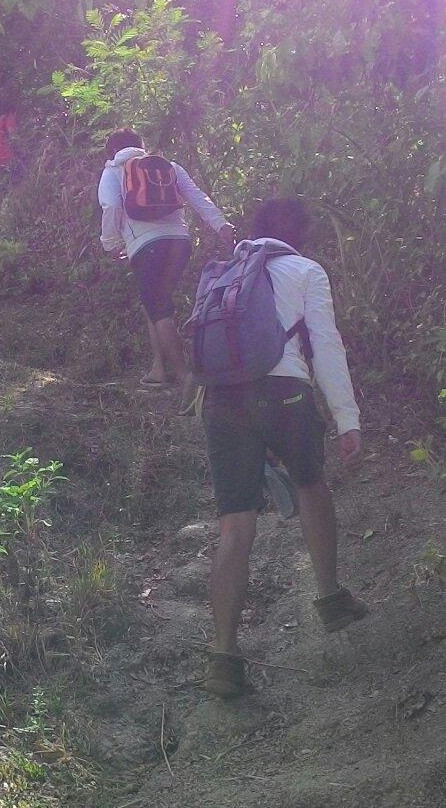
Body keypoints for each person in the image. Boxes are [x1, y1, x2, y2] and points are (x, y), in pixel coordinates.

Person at [201, 198, 367, 698]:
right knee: (311, 482)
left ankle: (224, 659)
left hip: (221, 399)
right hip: (284, 393)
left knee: (234, 523)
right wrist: (347, 419)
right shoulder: (305, 269)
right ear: (300, 234)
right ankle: (331, 598)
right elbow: (326, 344)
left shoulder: (223, 272)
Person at [98, 128, 235, 409]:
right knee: (157, 301)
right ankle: (158, 369)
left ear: (110, 151)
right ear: (142, 146)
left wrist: (111, 243)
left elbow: (111, 205)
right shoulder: (168, 167)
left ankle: (186, 379)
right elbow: (197, 196)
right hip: (179, 242)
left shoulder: (113, 170)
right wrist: (220, 224)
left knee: (159, 307)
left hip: (146, 246)